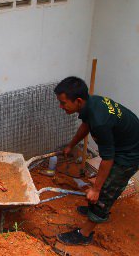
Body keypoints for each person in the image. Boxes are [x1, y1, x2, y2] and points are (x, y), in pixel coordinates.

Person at [54, 77, 139, 245]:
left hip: (130, 154)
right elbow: (86, 125)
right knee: (103, 186)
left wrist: (96, 189)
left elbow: (107, 159)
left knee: (106, 189)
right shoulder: (92, 104)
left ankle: (84, 235)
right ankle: (95, 209)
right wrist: (71, 145)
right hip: (125, 144)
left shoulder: (100, 121)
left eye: (63, 103)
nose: (61, 107)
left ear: (78, 101)